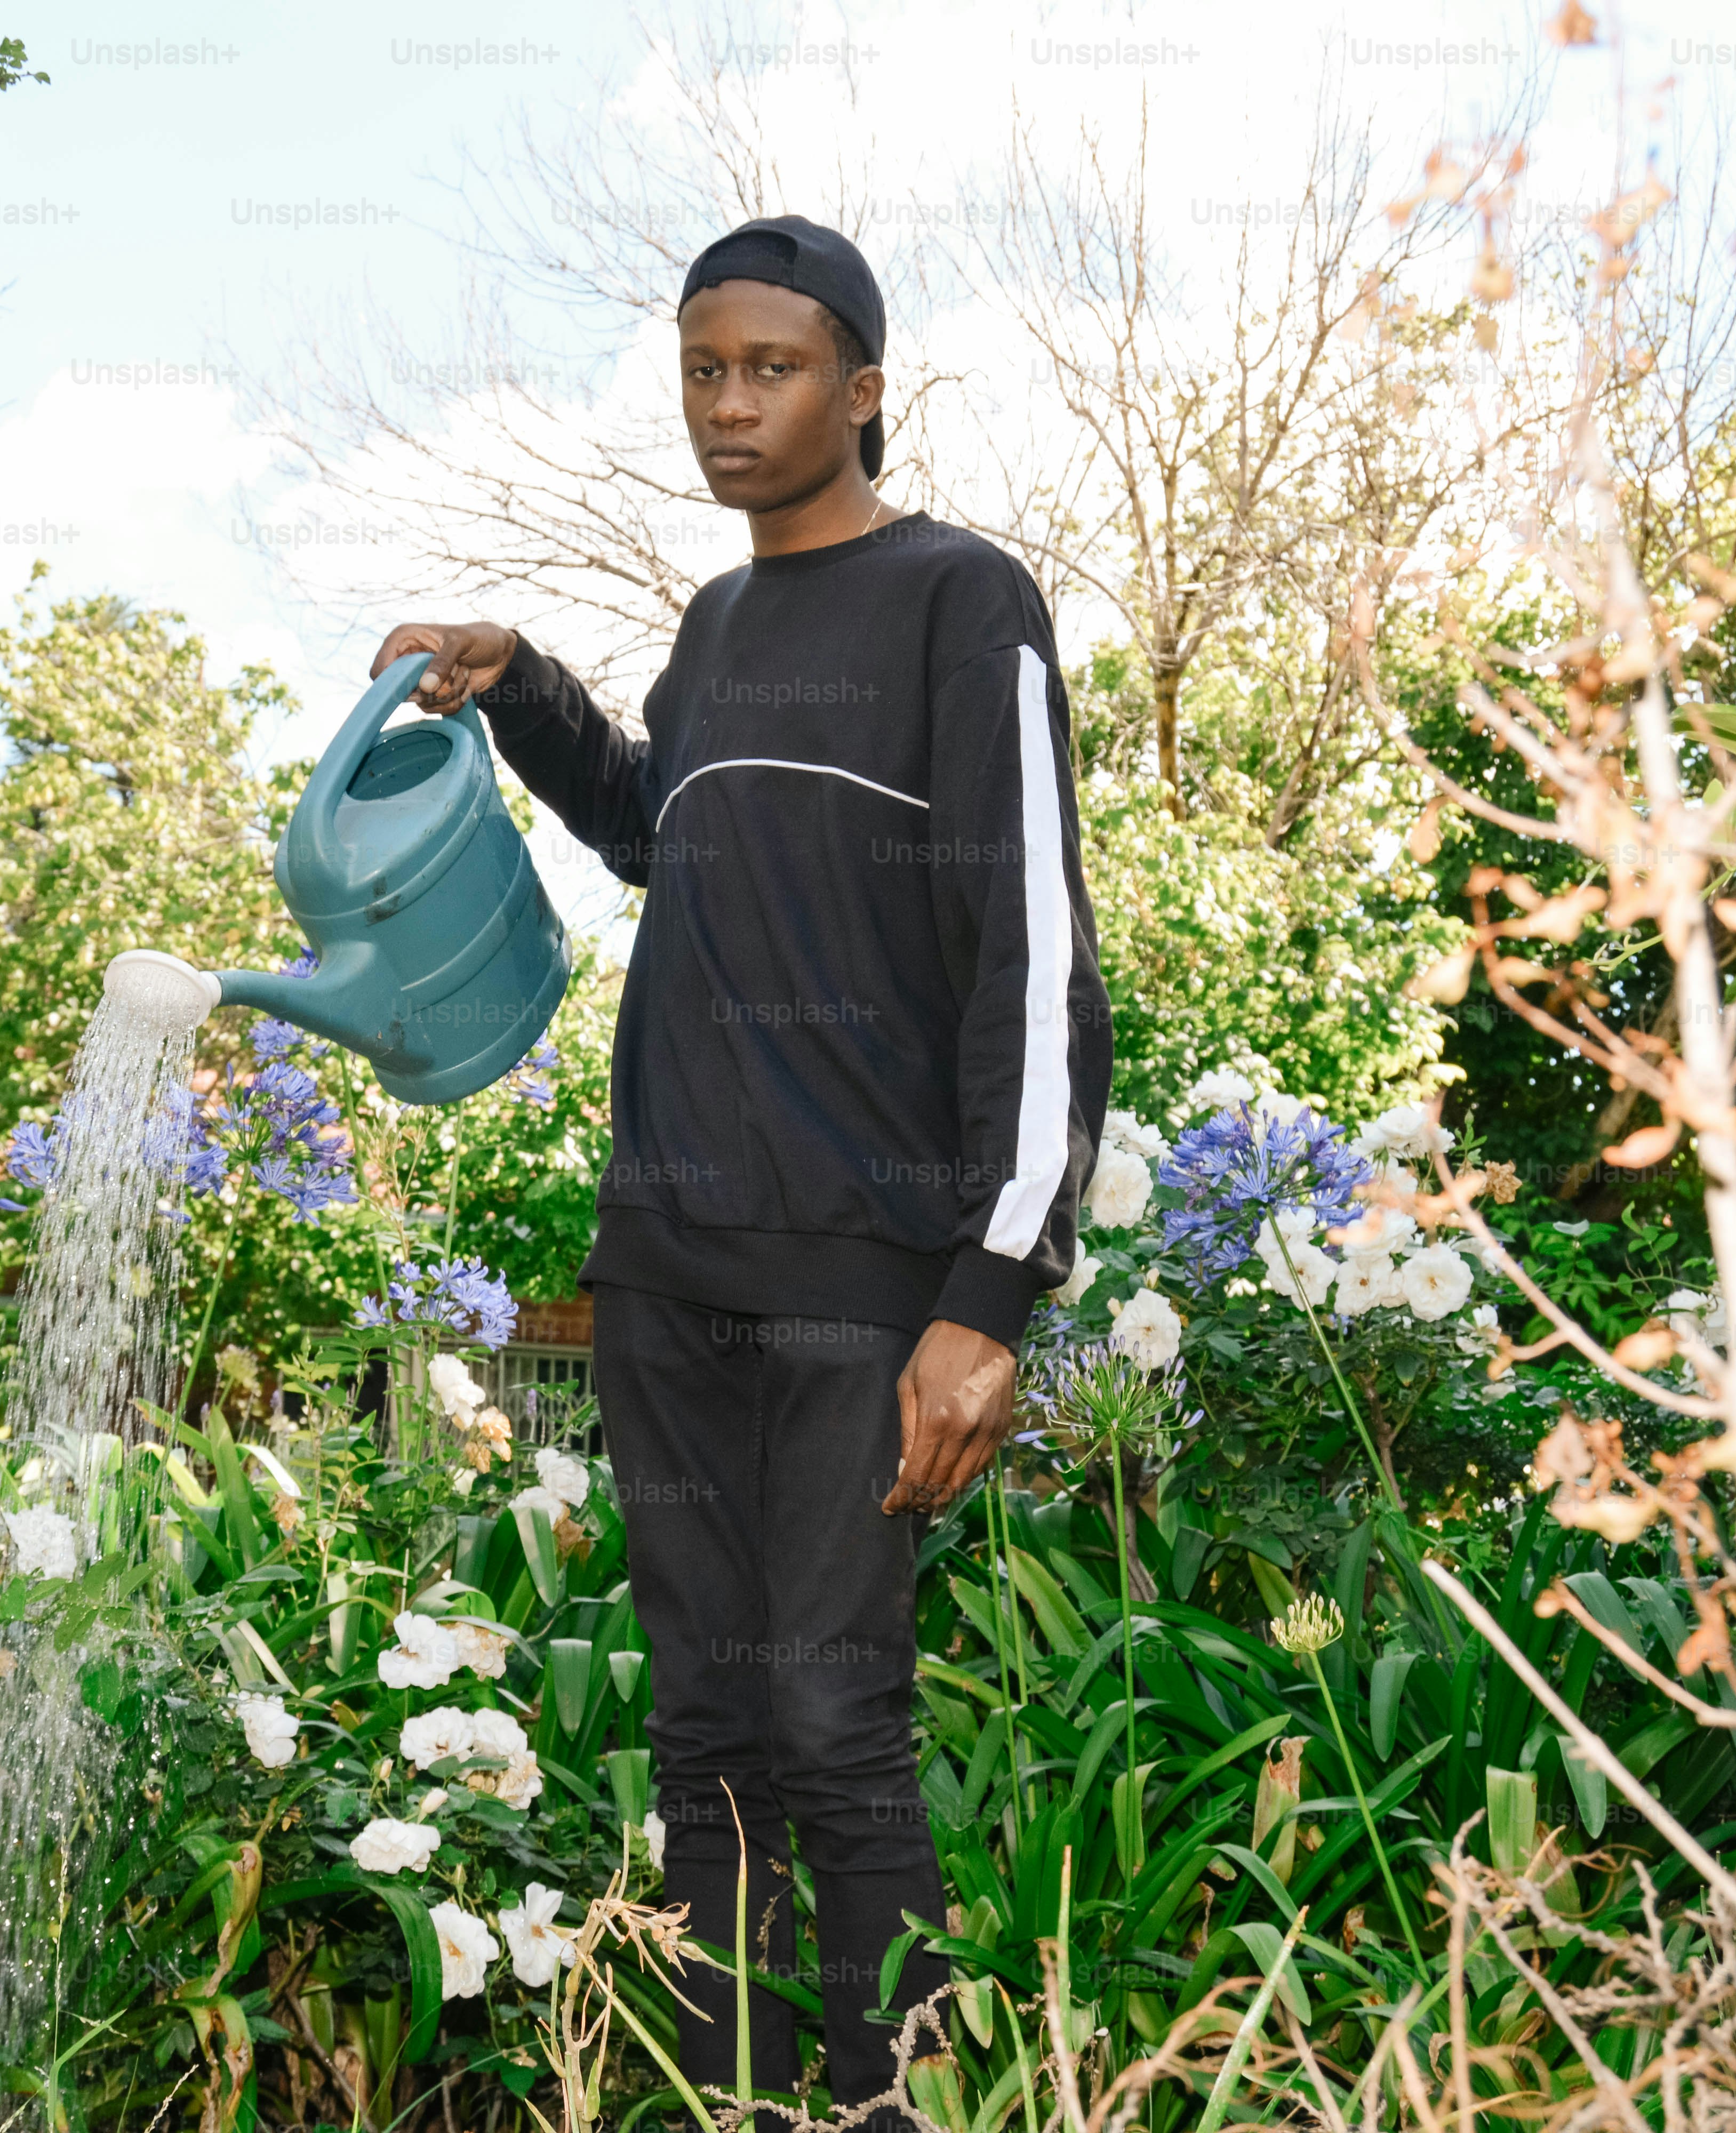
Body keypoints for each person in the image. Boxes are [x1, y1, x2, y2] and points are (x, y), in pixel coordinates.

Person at [373, 213, 1109, 2131]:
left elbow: (1036, 956)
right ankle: (733, 2103)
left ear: (864, 390)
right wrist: (520, 677)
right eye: (703, 368)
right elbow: (654, 836)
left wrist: (988, 1295)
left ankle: (905, 2110)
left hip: (864, 1278)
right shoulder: (714, 631)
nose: (728, 403)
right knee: (702, 1727)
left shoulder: (964, 605)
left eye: (771, 369)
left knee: (831, 1721)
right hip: (669, 1271)